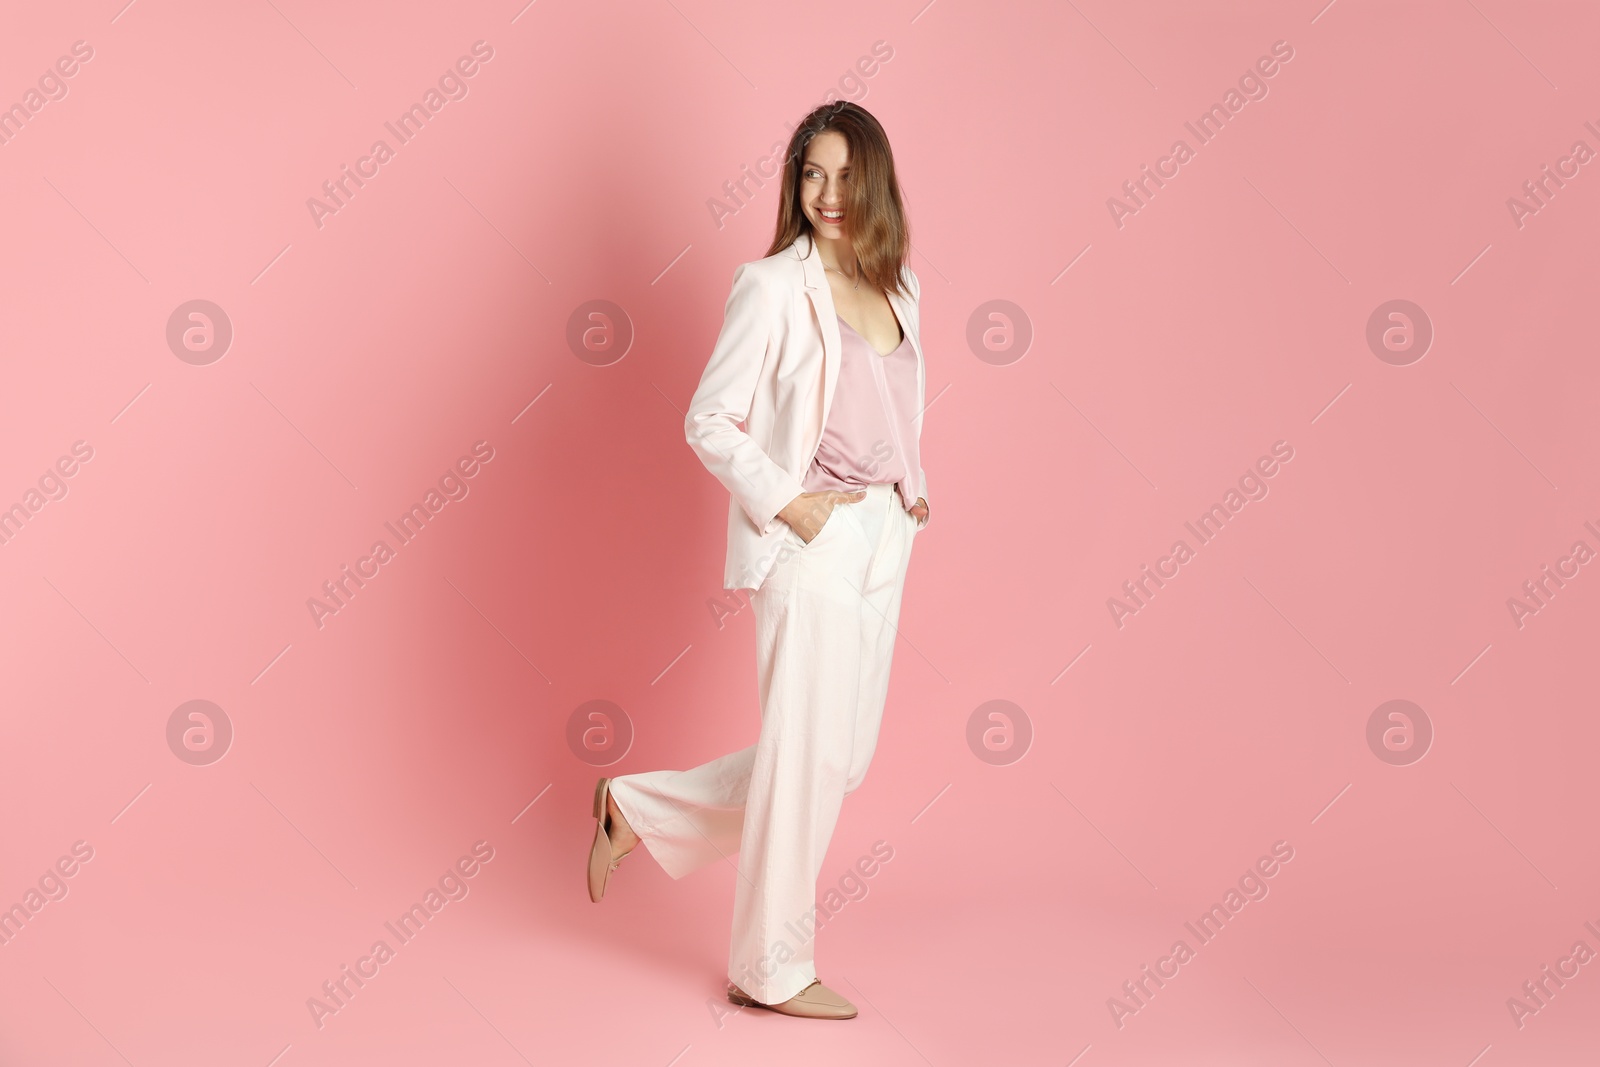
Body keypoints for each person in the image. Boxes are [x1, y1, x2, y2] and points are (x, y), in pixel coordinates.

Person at [585, 100, 929, 1022]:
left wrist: (913, 484)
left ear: (876, 183)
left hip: (883, 536)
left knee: (835, 760)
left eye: (845, 175)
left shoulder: (900, 288)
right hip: (808, 535)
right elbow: (709, 417)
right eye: (811, 173)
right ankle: (770, 968)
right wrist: (788, 502)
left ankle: (636, 809)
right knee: (807, 756)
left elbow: (892, 398)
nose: (825, 193)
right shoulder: (773, 285)